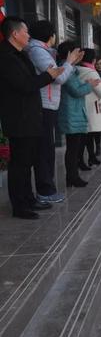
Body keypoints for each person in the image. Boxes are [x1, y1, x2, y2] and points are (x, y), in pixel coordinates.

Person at [0, 16, 64, 219]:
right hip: (19, 117)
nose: (29, 35)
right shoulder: (6, 57)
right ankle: (20, 206)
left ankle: (29, 198)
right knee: (19, 164)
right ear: (15, 34)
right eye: (25, 31)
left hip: (29, 116)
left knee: (26, 162)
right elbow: (25, 85)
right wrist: (50, 76)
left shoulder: (21, 54)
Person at [25, 20, 83, 203]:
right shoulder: (37, 51)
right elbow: (58, 78)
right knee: (44, 150)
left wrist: (69, 64)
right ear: (50, 36)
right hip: (43, 105)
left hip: (48, 105)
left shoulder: (43, 51)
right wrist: (69, 62)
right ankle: (45, 191)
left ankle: (46, 189)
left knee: (47, 149)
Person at [57, 41, 100, 187]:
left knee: (74, 148)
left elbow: (76, 88)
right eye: (77, 52)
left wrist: (85, 83)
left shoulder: (71, 70)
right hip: (71, 113)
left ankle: (73, 176)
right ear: (70, 54)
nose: (80, 55)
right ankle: (72, 177)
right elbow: (76, 91)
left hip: (74, 113)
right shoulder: (66, 70)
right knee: (73, 149)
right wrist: (90, 85)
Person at [77, 49, 101, 167]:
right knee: (89, 134)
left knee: (86, 135)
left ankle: (89, 157)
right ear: (93, 60)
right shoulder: (91, 73)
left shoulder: (76, 70)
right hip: (92, 107)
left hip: (81, 105)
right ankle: (87, 159)